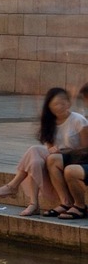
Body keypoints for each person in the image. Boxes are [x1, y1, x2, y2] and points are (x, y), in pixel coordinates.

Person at [0, 87, 86, 217]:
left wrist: (67, 151)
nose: (59, 107)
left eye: (62, 103)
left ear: (69, 103)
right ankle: (34, 203)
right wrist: (51, 149)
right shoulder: (49, 121)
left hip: (74, 157)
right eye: (55, 104)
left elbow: (85, 148)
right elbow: (48, 142)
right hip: (57, 156)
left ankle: (16, 188)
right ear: (49, 106)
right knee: (35, 158)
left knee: (36, 154)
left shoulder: (78, 120)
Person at [48, 81, 88, 218]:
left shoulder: (80, 120)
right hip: (82, 158)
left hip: (82, 158)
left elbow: (85, 147)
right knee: (53, 159)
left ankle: (80, 206)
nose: (85, 104)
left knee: (71, 170)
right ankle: (66, 202)